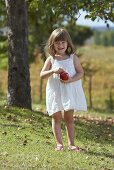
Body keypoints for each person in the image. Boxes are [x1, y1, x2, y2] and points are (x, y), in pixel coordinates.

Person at [40, 28, 87, 151]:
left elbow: (81, 72)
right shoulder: (51, 59)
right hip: (55, 92)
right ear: (52, 44)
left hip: (69, 92)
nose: (60, 45)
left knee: (69, 118)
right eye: (57, 42)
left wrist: (70, 80)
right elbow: (42, 75)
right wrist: (53, 70)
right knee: (56, 117)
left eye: (63, 42)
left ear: (68, 43)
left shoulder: (72, 58)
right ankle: (59, 144)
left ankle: (71, 144)